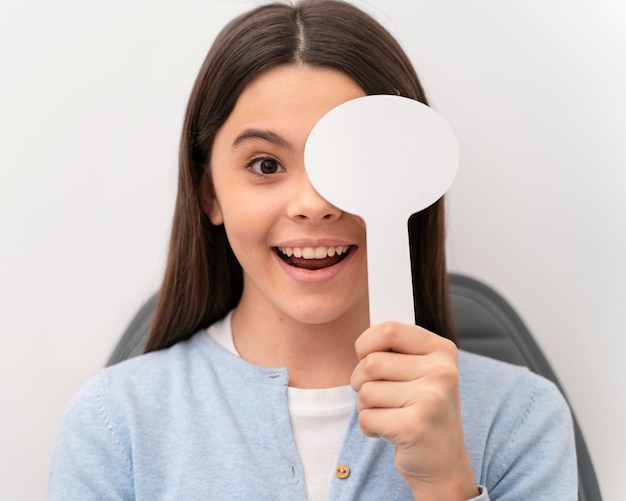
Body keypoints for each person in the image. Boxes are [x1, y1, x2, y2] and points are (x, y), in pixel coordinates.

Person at [48, 1, 577, 499]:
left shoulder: (520, 419)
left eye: (357, 159)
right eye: (265, 165)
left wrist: (446, 483)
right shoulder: (113, 423)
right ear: (210, 192)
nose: (313, 204)